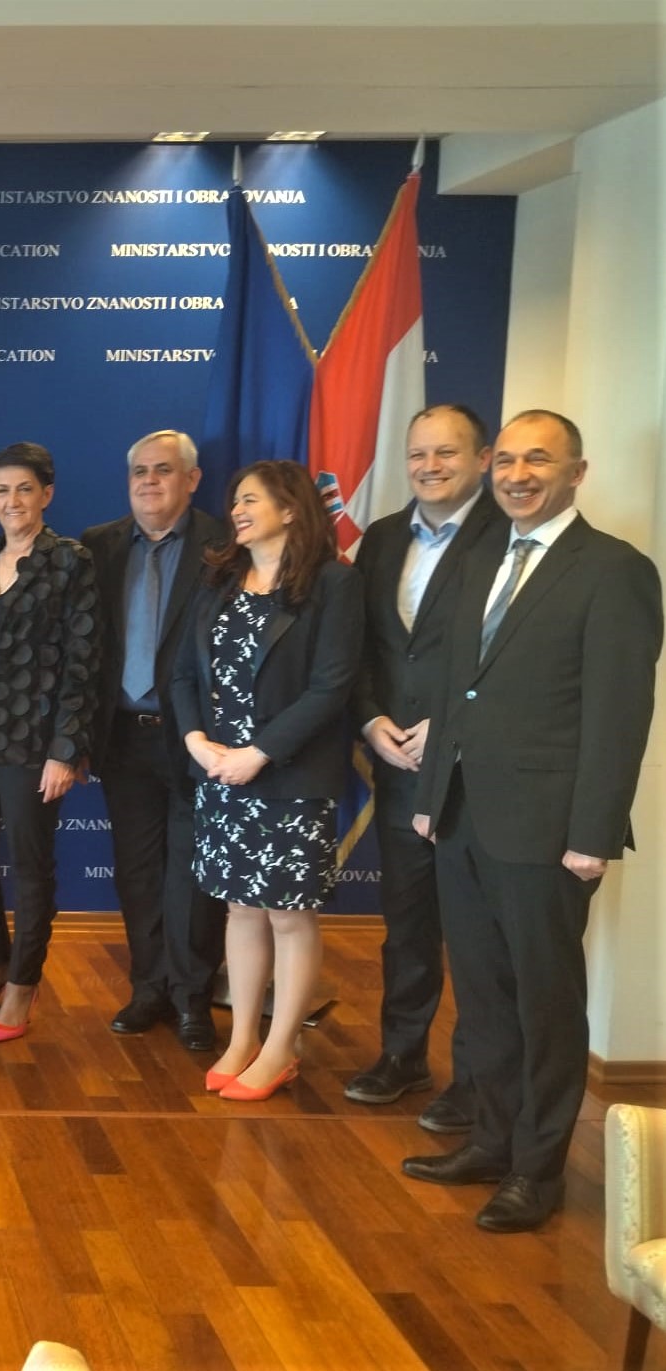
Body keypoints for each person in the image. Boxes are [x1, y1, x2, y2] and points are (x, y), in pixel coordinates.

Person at [404, 410, 662, 1233]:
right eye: (507, 459)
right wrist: (427, 797)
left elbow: (618, 712)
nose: (517, 474)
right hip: (460, 817)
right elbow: (453, 690)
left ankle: (536, 1170)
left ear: (575, 472)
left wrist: (592, 832)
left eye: (538, 460)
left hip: (548, 831)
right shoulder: (481, 556)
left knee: (543, 1003)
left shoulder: (614, 570)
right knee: (482, 997)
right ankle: (490, 1140)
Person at [170, 460, 363, 1100]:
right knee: (240, 909)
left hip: (291, 775)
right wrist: (196, 741)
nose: (237, 510)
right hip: (220, 772)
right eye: (236, 500)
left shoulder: (333, 584)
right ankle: (242, 1039)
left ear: (291, 509)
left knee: (287, 915)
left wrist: (260, 753)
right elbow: (184, 674)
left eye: (251, 499)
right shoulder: (219, 581)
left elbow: (332, 687)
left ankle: (281, 1049)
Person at [344, 405, 504, 1130]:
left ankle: (475, 1080)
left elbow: (512, 655)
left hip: (473, 770)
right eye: (417, 453)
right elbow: (362, 648)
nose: (428, 466)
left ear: (482, 458)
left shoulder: (508, 537)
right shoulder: (380, 539)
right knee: (406, 921)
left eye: (446, 452)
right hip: (397, 763)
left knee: (474, 934)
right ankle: (402, 1054)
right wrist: (369, 719)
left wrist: (453, 725)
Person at [0, 443, 99, 1042]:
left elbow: (84, 661)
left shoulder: (69, 561)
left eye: (25, 489)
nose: (13, 501)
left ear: (47, 494)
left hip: (35, 733)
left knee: (31, 863)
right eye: (2, 490)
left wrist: (66, 748)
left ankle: (23, 985)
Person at [81, 430, 228, 1052]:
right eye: (139, 471)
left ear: (191, 479)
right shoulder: (99, 545)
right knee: (138, 871)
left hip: (197, 737)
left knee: (192, 874)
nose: (148, 481)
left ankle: (193, 998)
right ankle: (149, 988)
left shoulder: (225, 544)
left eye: (163, 470)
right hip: (123, 735)